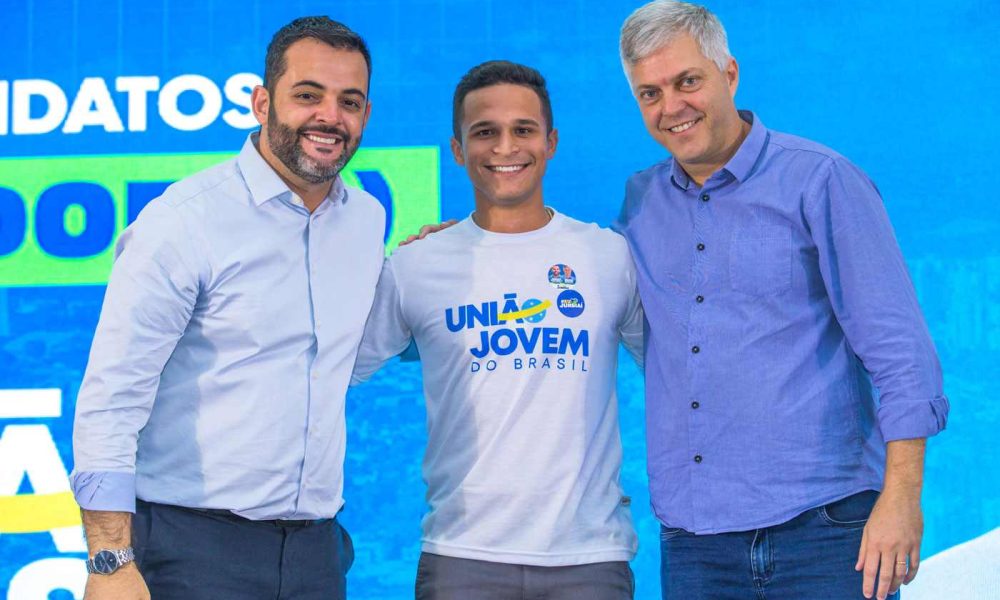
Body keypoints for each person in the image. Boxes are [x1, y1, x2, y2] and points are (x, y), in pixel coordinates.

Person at [614, 3, 949, 600]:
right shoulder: (640, 204)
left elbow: (900, 352)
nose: (671, 107)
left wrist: (901, 500)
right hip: (695, 546)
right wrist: (474, 238)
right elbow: (565, 275)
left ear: (729, 73)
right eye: (649, 93)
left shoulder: (820, 180)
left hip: (828, 534)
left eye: (687, 81)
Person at [70, 16, 384, 600]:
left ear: (364, 116)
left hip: (317, 553)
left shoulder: (366, 222)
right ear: (262, 102)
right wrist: (109, 562)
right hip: (190, 551)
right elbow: (112, 398)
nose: (329, 117)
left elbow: (354, 355)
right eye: (307, 95)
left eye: (350, 101)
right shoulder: (185, 220)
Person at [352, 61, 643, 600]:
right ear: (459, 149)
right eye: (484, 132)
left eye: (523, 130)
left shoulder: (608, 255)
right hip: (463, 556)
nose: (505, 147)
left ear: (550, 141)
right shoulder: (417, 265)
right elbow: (330, 373)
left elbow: (681, 374)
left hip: (588, 557)